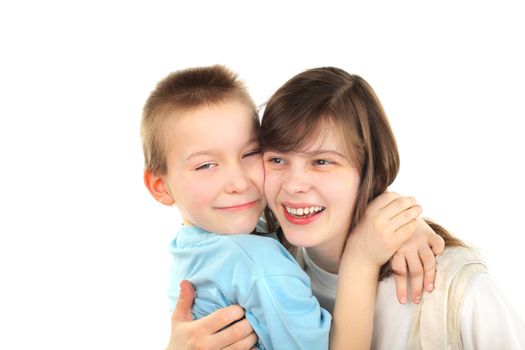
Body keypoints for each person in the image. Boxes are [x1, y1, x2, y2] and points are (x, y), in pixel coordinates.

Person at [169, 67, 525, 349]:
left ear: (369, 171)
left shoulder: (455, 290)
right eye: (276, 159)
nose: (293, 185)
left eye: (322, 162)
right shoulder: (258, 266)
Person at [141, 65, 426, 350]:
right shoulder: (261, 266)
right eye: (206, 165)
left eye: (250, 153)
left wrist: (405, 220)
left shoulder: (193, 245)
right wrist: (361, 258)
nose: (238, 182)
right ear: (160, 186)